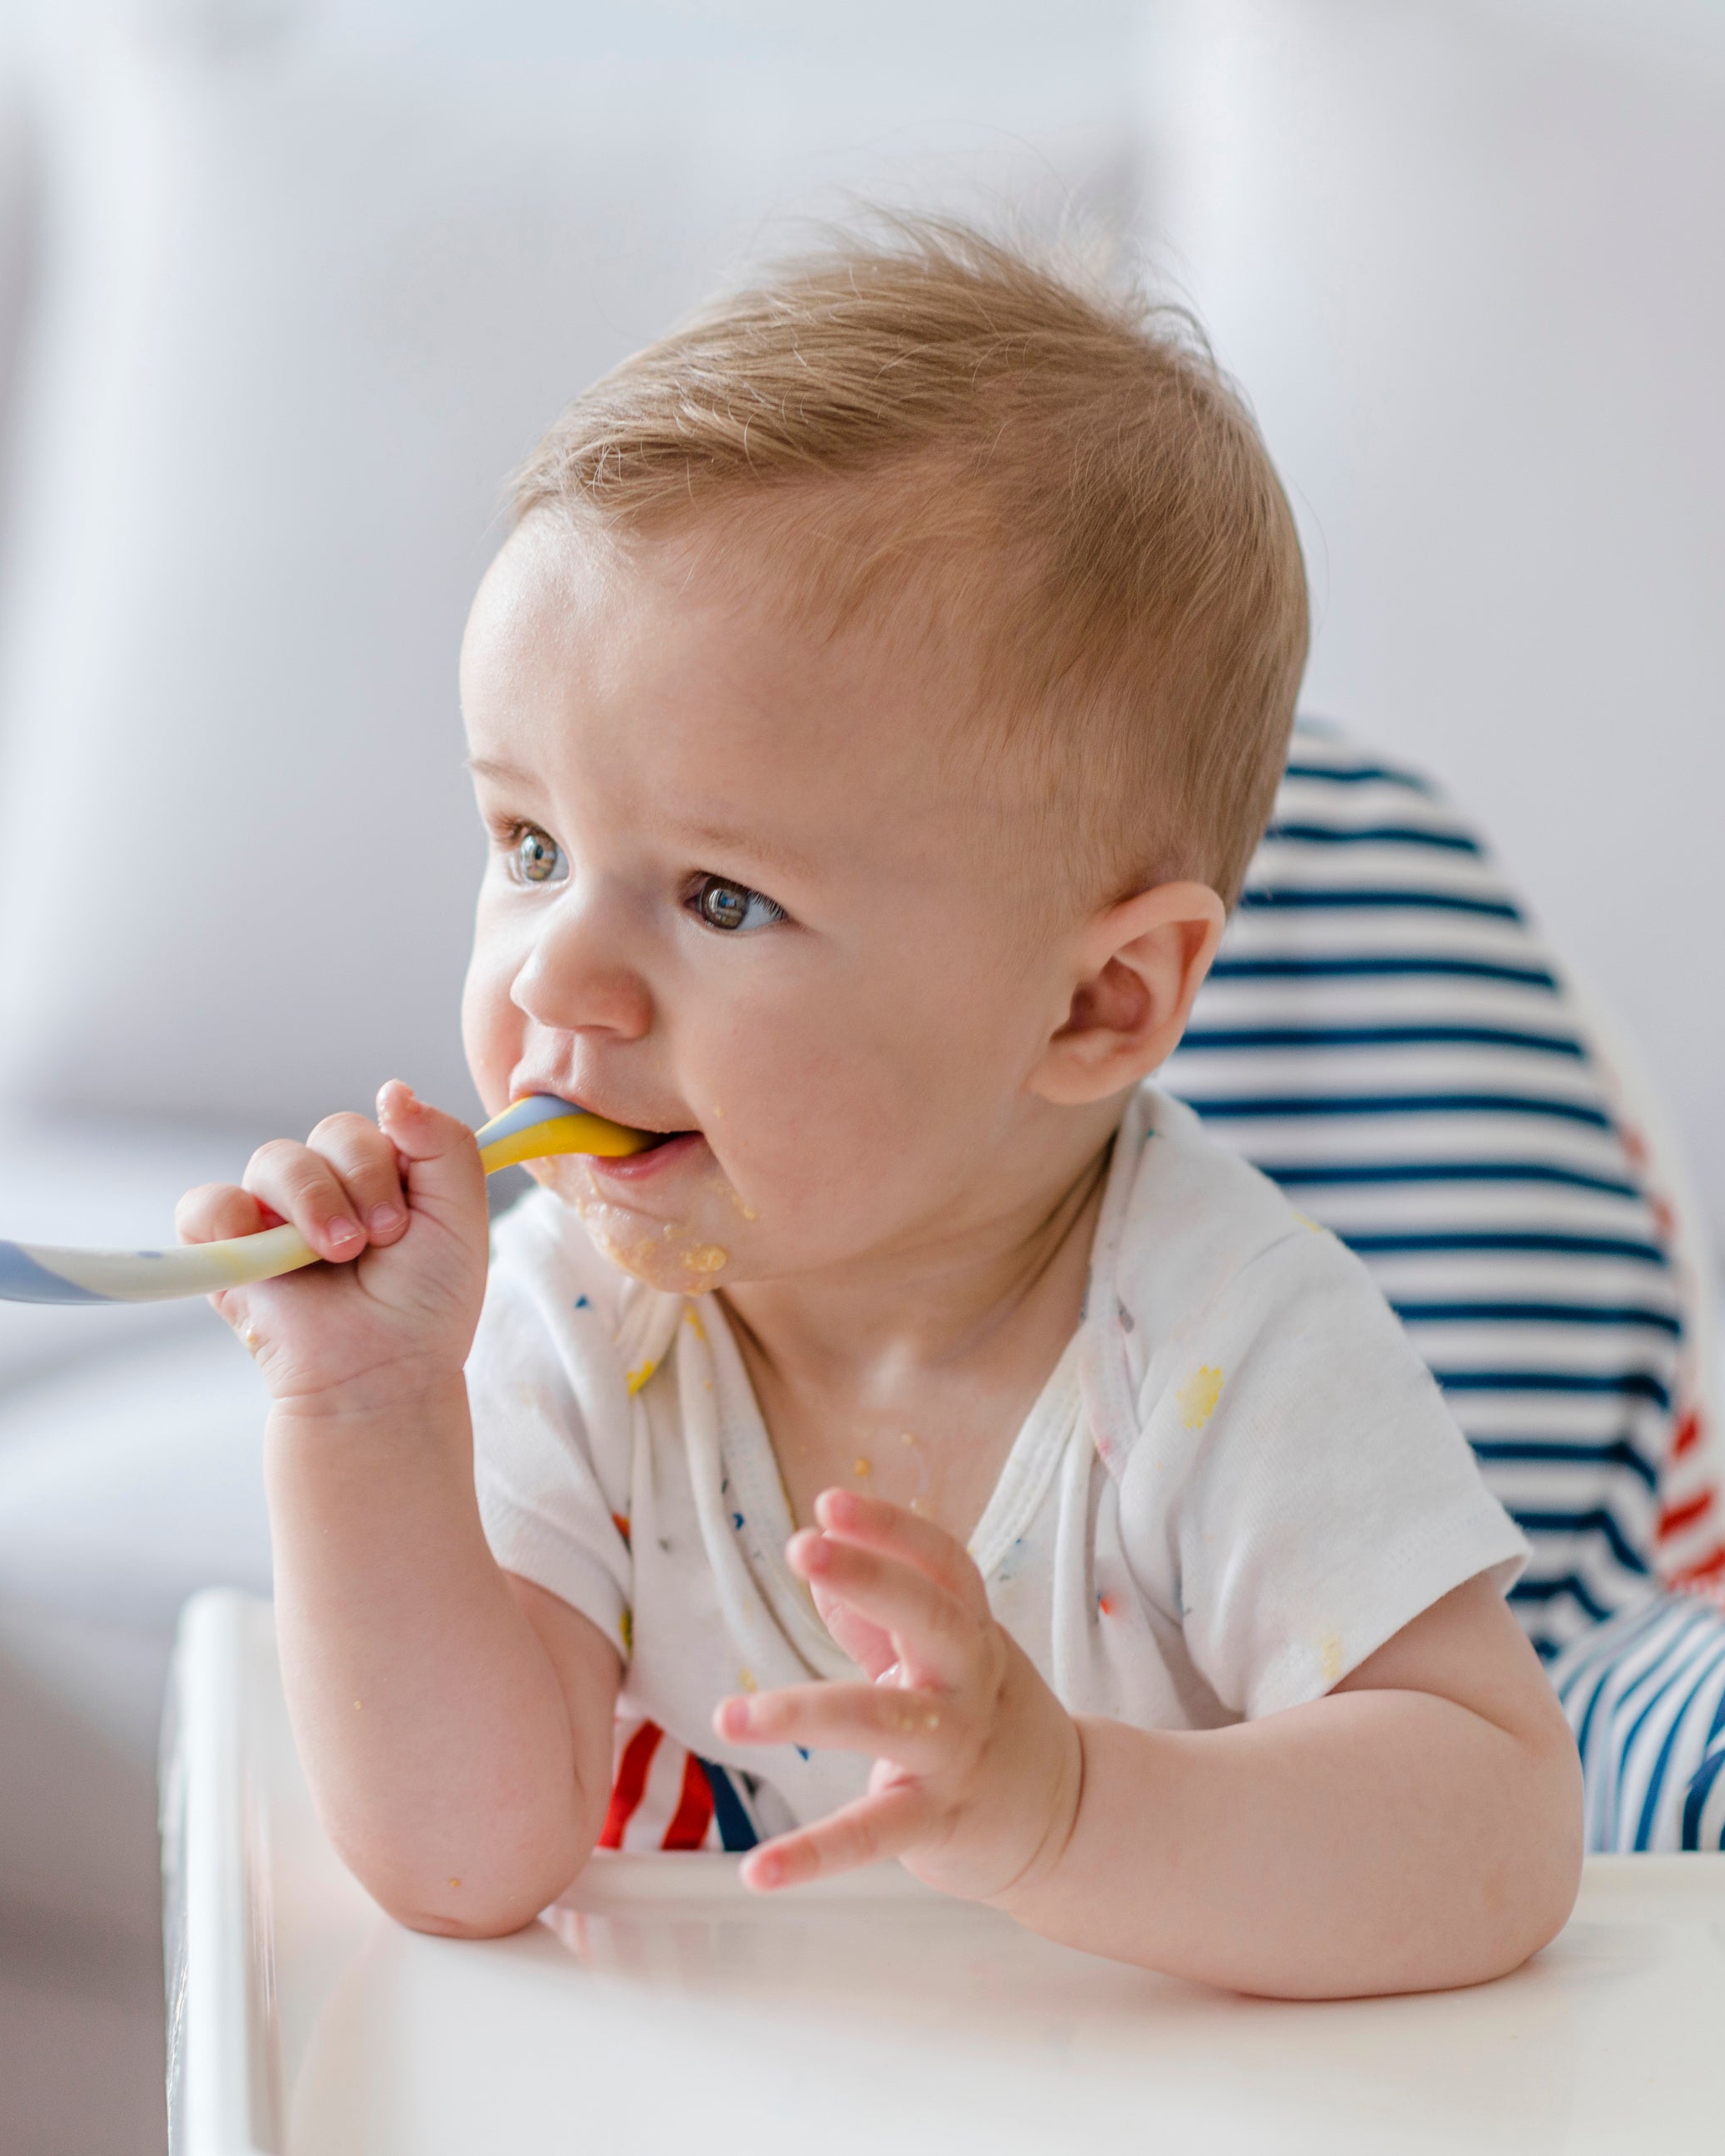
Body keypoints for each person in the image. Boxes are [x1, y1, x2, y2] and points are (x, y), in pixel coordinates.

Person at [176, 220, 1582, 2000]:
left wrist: (1065, 1809)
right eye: (528, 846)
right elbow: (470, 1854)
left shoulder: (1217, 1344)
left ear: (1098, 1000)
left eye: (717, 897)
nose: (552, 984)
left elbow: (1502, 1823)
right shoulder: (582, 1319)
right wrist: (364, 1416)